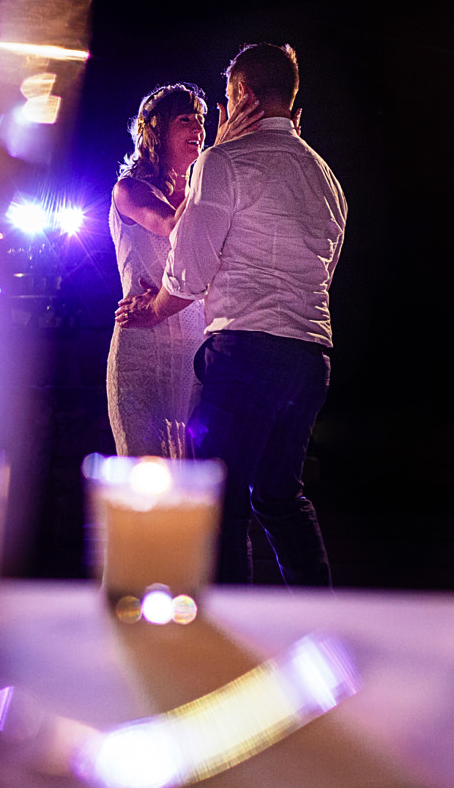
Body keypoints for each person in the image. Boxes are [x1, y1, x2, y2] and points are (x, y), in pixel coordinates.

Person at [116, 44, 347, 586]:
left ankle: (225, 640)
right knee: (278, 496)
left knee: (217, 503)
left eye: (224, 98)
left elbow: (191, 269)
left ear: (241, 95)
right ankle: (320, 618)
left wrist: (152, 310)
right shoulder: (326, 176)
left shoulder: (222, 163)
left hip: (246, 353)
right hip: (311, 357)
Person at [104, 83, 212, 457]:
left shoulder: (206, 195)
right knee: (143, 474)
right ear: (157, 130)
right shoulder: (129, 190)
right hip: (141, 351)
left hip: (197, 357)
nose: (199, 129)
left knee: (191, 480)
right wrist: (218, 159)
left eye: (202, 120)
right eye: (186, 120)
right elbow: (172, 227)